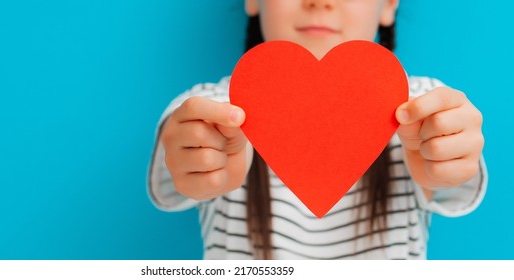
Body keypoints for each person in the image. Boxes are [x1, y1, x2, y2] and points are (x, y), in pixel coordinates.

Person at [148, 0, 487, 259]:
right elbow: (179, 160)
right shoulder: (208, 108)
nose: (320, 1)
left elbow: (453, 182)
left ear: (389, 5)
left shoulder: (424, 106)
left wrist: (440, 162)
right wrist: (207, 165)